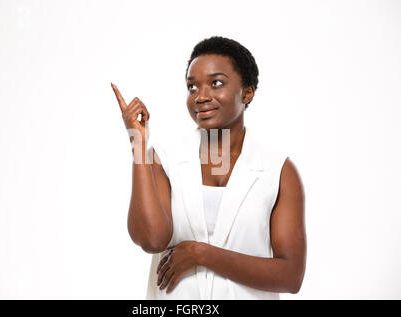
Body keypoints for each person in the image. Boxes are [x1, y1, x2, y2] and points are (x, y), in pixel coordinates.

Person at [111, 36, 306, 300]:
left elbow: (290, 275)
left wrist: (202, 254)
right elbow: (151, 240)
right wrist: (138, 143)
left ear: (247, 92)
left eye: (216, 83)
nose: (201, 97)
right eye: (192, 87)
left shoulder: (278, 171)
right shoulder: (164, 159)